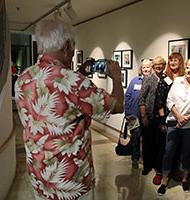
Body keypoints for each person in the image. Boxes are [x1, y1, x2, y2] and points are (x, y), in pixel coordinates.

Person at [14, 19, 124, 200]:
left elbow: (61, 97)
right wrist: (117, 78)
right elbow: (117, 106)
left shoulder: (23, 78)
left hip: (39, 175)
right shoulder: (74, 81)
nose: (73, 54)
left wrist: (80, 72)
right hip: (71, 181)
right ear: (66, 46)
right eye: (72, 48)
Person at [157, 58, 190, 195]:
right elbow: (169, 100)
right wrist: (178, 116)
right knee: (168, 153)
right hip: (173, 122)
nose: (189, 70)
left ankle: (185, 180)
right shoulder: (177, 81)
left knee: (187, 154)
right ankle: (164, 180)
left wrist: (186, 118)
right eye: (188, 67)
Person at [155, 52, 185, 184]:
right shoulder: (164, 78)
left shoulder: (185, 78)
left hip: (180, 117)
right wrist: (162, 121)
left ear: (180, 62)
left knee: (177, 146)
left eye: (176, 60)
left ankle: (173, 170)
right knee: (163, 147)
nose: (173, 63)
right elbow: (159, 101)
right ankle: (159, 172)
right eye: (171, 60)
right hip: (165, 118)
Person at [138, 56, 166, 180]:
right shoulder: (149, 79)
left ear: (164, 66)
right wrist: (143, 115)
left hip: (160, 117)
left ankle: (156, 166)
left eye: (161, 64)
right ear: (153, 66)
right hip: (148, 116)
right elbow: (141, 98)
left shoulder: (166, 79)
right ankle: (147, 166)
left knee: (159, 143)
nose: (158, 66)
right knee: (147, 142)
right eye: (156, 64)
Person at [124, 59, 152, 169]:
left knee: (146, 138)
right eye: (144, 67)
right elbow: (128, 96)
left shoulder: (153, 81)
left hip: (147, 117)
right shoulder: (135, 80)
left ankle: (147, 160)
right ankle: (135, 158)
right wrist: (127, 112)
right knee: (135, 137)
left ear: (151, 68)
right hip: (133, 115)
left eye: (148, 67)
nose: (145, 69)